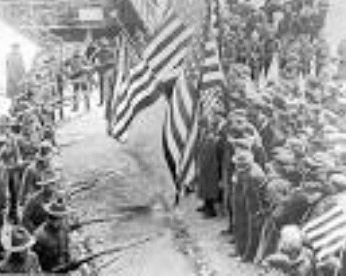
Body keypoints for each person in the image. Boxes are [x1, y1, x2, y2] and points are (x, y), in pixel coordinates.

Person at [232, 150, 266, 261]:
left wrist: (257, 212)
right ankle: (240, 250)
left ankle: (248, 255)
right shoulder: (244, 171)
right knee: (239, 224)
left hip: (254, 205)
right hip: (243, 201)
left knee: (252, 229)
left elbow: (255, 199)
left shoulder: (253, 175)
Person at [33, 197, 70, 273]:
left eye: (61, 218)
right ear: (49, 218)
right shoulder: (39, 235)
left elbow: (65, 249)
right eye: (55, 218)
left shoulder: (64, 229)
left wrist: (68, 263)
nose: (59, 221)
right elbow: (35, 262)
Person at [19, 140, 54, 205]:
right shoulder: (31, 170)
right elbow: (25, 189)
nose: (48, 162)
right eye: (46, 160)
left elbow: (53, 184)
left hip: (47, 198)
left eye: (49, 160)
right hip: (35, 200)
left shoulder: (50, 168)